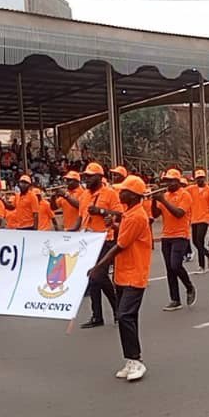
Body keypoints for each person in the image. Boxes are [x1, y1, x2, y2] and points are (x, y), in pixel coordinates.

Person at [88, 175, 153, 382]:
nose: (119, 193)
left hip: (135, 274)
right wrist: (115, 226)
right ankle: (131, 359)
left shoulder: (136, 216)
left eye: (123, 190)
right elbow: (125, 236)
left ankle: (136, 360)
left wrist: (99, 267)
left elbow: (120, 245)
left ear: (133, 195)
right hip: (123, 273)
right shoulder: (129, 213)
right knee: (128, 316)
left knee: (124, 315)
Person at [77, 163, 122, 328]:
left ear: (99, 177)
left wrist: (102, 212)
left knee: (98, 275)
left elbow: (119, 214)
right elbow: (80, 217)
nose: (86, 179)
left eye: (90, 176)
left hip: (104, 239)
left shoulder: (109, 193)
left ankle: (117, 309)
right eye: (85, 176)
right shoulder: (84, 195)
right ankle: (97, 315)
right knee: (93, 278)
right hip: (87, 240)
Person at [151, 169, 196, 311]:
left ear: (178, 181)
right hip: (166, 236)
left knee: (176, 265)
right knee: (170, 269)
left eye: (171, 181)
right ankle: (175, 299)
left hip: (180, 235)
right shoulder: (165, 195)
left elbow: (179, 213)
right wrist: (154, 199)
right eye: (167, 181)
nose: (168, 183)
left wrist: (162, 200)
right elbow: (155, 214)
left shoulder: (185, 195)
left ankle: (189, 286)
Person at [187, 169, 209, 272]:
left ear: (204, 178)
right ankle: (208, 254)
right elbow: (182, 191)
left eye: (201, 178)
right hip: (194, 218)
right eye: (198, 178)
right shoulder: (191, 189)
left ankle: (201, 265)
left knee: (200, 240)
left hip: (204, 218)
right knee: (195, 242)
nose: (199, 180)